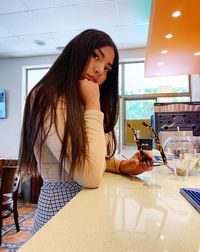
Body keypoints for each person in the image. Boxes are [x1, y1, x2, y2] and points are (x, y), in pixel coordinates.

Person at [18, 29, 155, 233]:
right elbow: (88, 175)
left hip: (87, 206)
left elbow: (93, 160)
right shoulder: (48, 97)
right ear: (77, 52)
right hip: (59, 210)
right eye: (95, 56)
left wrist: (123, 166)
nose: (100, 70)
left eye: (107, 67)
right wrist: (93, 104)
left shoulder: (80, 101)